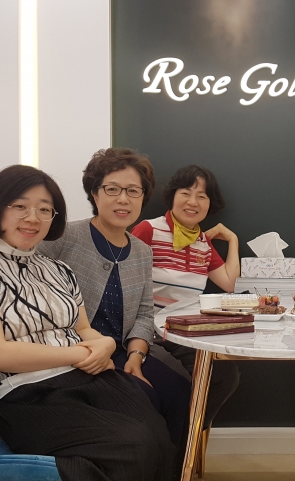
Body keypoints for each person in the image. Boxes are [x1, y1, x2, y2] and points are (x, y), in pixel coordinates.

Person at [0, 164, 174, 481]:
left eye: (44, 209)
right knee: (133, 446)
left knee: (159, 435)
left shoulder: (59, 271)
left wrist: (105, 344)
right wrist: (79, 354)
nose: (33, 218)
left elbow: (83, 329)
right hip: (27, 394)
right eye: (20, 207)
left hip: (87, 378)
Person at [37, 148, 191, 449]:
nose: (123, 199)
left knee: (180, 392)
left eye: (133, 191)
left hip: (122, 350)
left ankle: (175, 469)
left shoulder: (142, 251)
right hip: (76, 354)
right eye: (112, 189)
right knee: (144, 400)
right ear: (94, 193)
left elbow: (145, 313)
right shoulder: (63, 237)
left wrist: (136, 357)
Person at [131, 165, 240, 428]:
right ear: (172, 196)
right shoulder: (149, 230)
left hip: (183, 335)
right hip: (148, 334)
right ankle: (176, 437)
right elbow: (125, 282)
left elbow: (229, 283)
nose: (193, 202)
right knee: (179, 379)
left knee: (225, 375)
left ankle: (186, 434)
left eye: (202, 196)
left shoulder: (203, 242)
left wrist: (233, 240)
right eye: (186, 193)